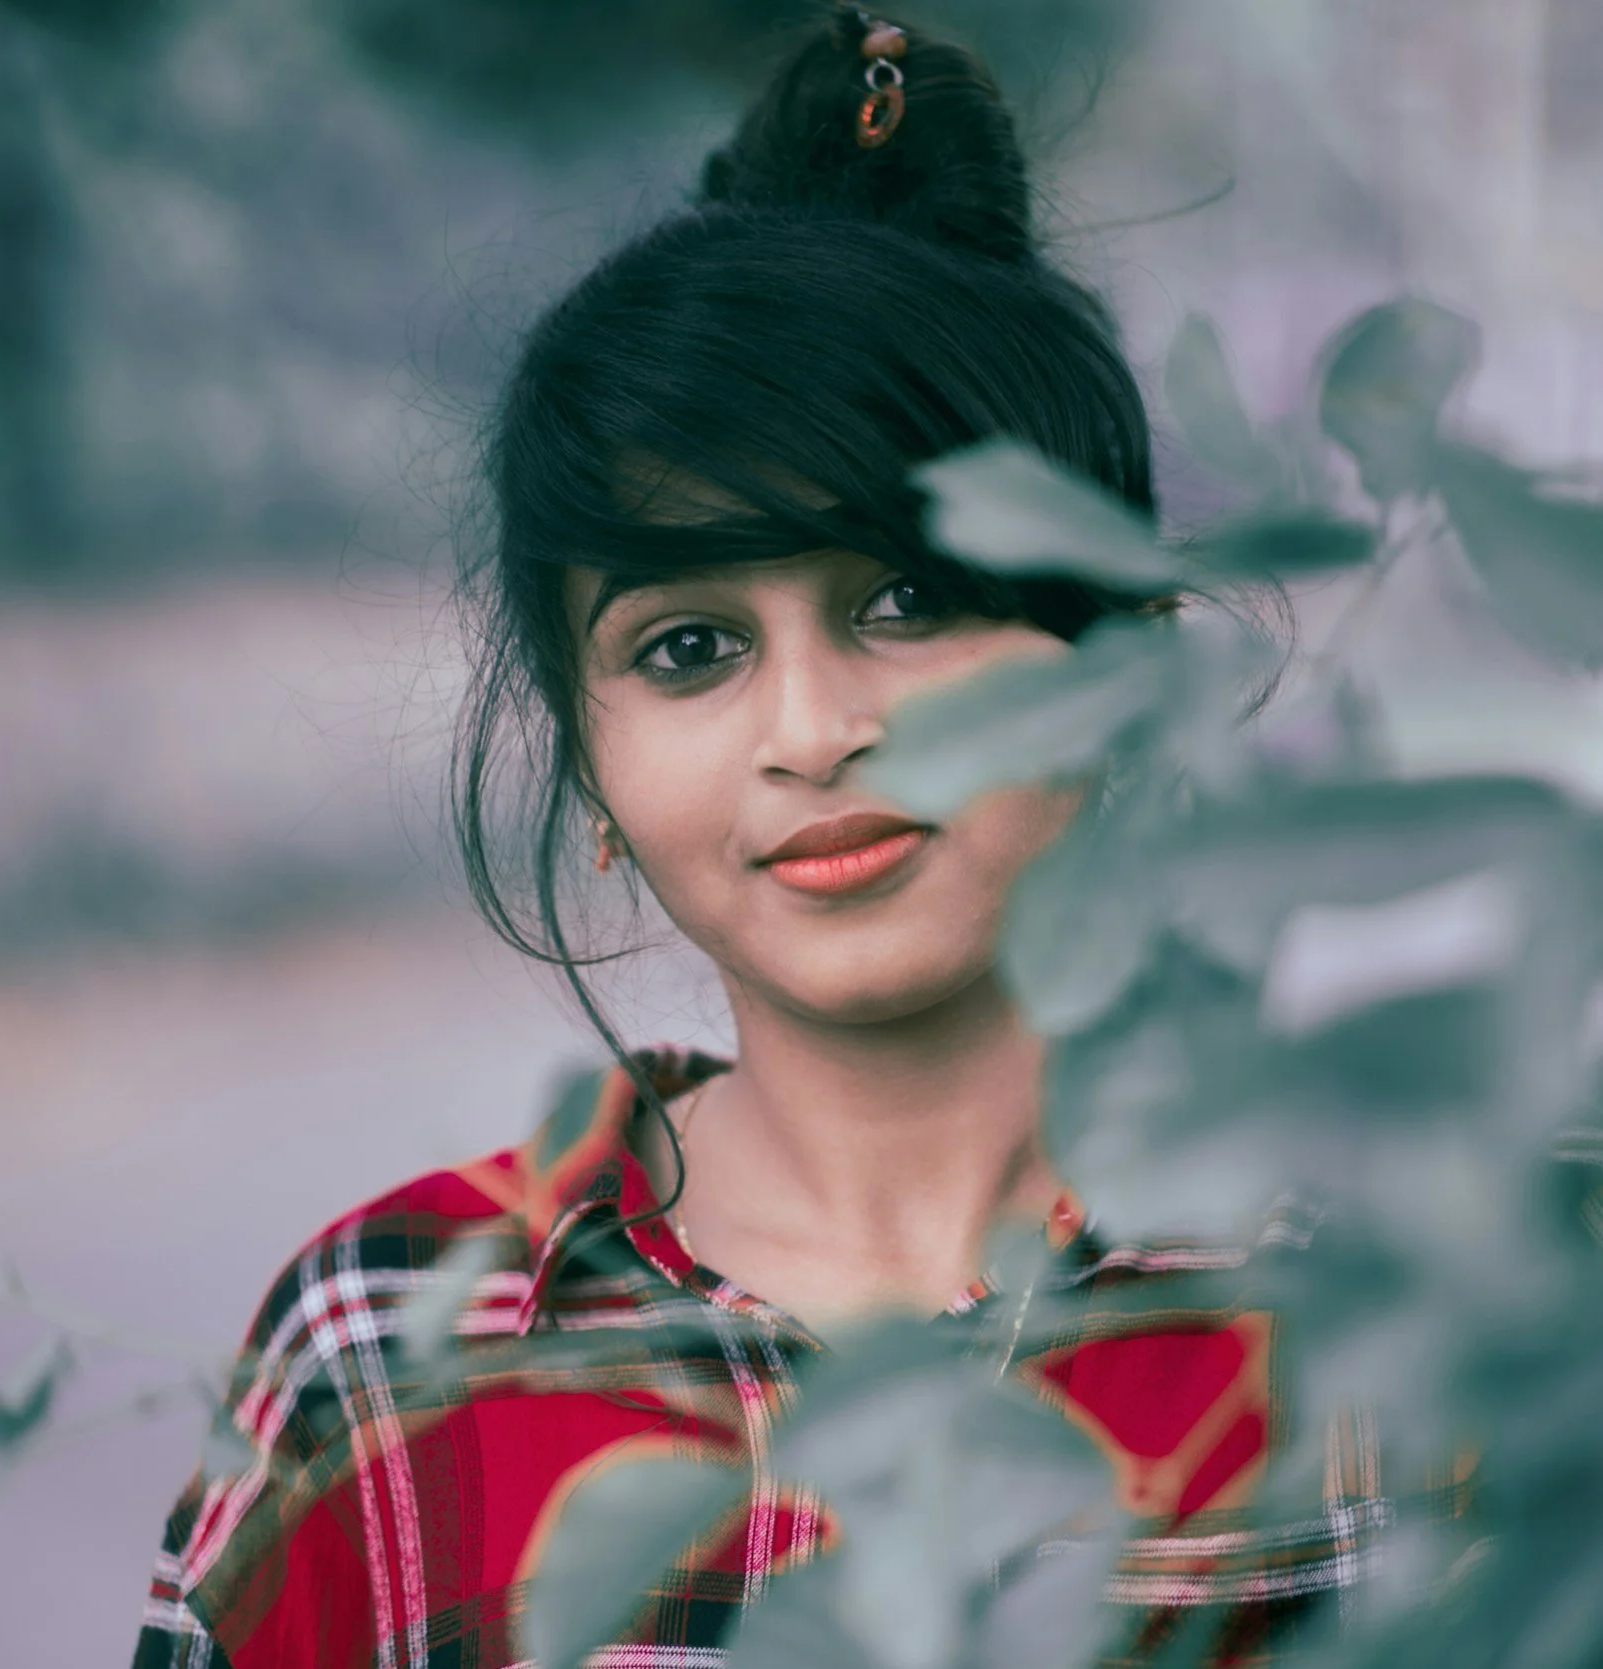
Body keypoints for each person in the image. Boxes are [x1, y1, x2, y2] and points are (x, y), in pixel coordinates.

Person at [132, 9, 1408, 1666]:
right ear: (590, 777)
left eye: (909, 598)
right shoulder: (388, 1352)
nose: (811, 730)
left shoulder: (1398, 1298)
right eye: (688, 649)